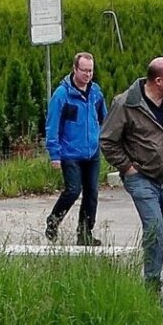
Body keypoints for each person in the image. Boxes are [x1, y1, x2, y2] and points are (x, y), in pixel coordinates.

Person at [100, 57, 163, 291]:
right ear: (157, 81)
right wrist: (127, 168)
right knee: (154, 227)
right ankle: (152, 285)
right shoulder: (125, 104)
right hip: (141, 177)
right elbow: (107, 140)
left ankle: (149, 260)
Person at [44, 52, 107, 245]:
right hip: (70, 152)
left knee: (91, 194)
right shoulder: (62, 95)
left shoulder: (96, 92)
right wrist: (55, 154)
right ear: (75, 69)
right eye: (84, 70)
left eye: (90, 70)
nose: (88, 74)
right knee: (73, 190)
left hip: (92, 151)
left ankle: (85, 234)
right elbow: (52, 125)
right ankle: (53, 221)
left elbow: (104, 118)